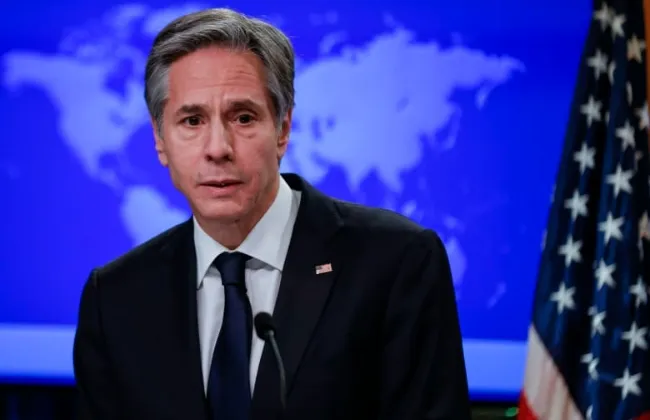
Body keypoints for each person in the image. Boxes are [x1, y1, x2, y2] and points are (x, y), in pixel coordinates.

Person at [72, 7, 471, 420]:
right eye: (192, 121)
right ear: (160, 140)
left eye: (243, 117)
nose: (218, 148)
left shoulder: (397, 262)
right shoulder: (116, 299)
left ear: (282, 129)